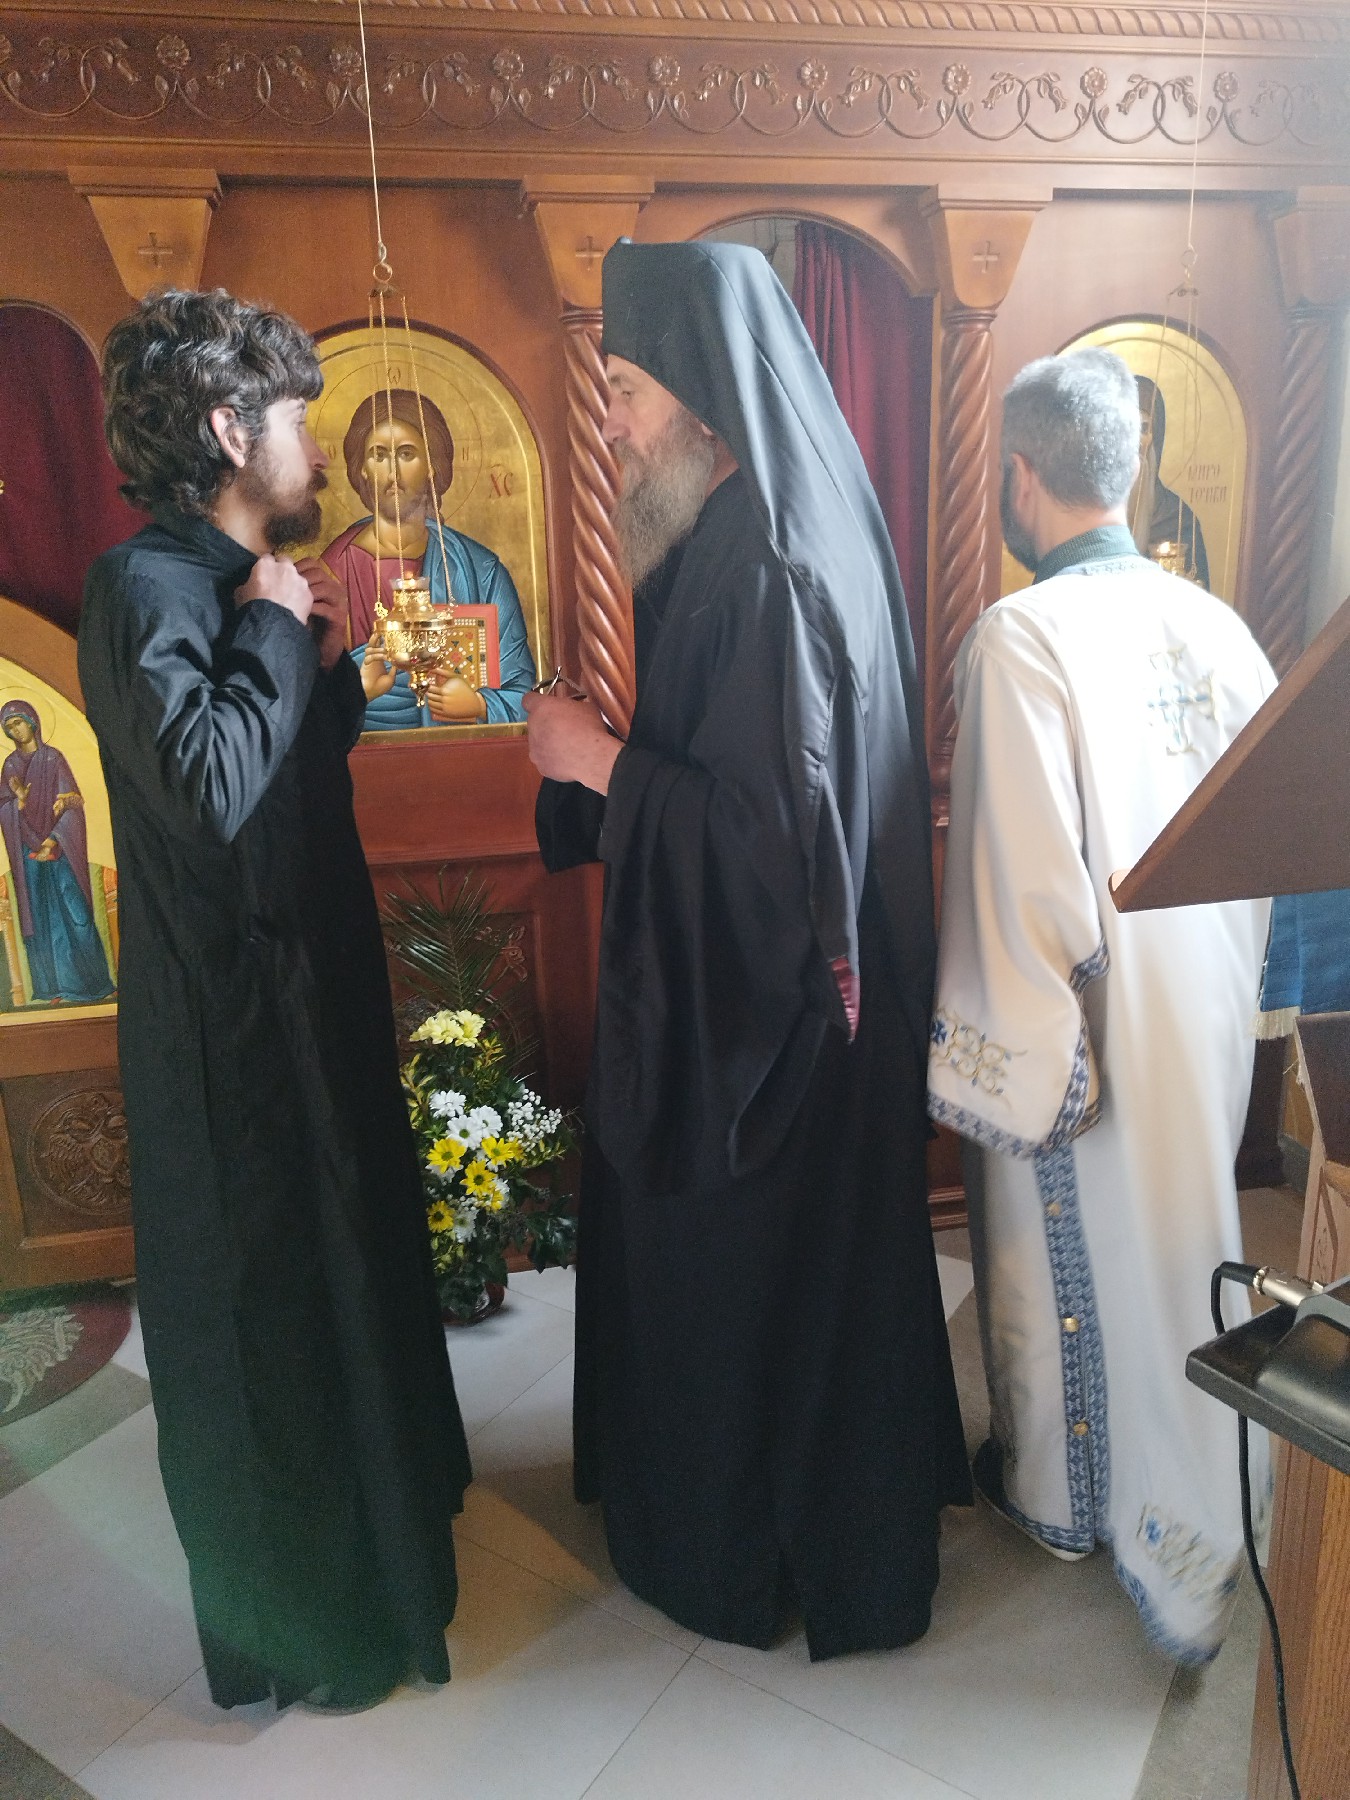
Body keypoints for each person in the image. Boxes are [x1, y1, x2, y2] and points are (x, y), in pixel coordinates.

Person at [526, 239, 970, 1659]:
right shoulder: (764, 522)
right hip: (806, 1019)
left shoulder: (766, 561)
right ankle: (815, 1526)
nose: (609, 426)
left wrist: (597, 766)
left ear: (707, 395)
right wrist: (621, 757)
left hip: (773, 1040)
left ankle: (751, 1545)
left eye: (625, 391)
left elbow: (772, 853)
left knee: (749, 1292)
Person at [77, 289, 471, 1711]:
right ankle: (314, 1628)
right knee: (271, 1327)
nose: (314, 445)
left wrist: (322, 667)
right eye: (298, 417)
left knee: (350, 1283)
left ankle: (392, 1569)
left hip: (315, 1005)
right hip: (230, 1045)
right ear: (230, 429)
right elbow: (202, 790)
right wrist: (270, 636)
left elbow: (279, 779)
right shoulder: (143, 589)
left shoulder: (254, 585)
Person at [928, 347, 1275, 1664]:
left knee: (1074, 1261)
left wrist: (1013, 1051)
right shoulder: (1220, 626)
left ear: (1020, 477)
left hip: (1088, 1025)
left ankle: (1071, 1502)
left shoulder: (1022, 637)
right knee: (1183, 1243)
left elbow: (1020, 872)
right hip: (1203, 1001)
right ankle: (1200, 1490)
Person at [320, 389, 536, 729]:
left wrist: (479, 704)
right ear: (361, 469)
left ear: (432, 466)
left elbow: (524, 697)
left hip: (458, 757)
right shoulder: (329, 576)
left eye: (406, 454)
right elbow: (293, 710)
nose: (392, 472)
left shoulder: (481, 572)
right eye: (378, 455)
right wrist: (355, 694)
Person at [0, 698, 115, 1006]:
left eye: (18, 723)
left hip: (60, 849)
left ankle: (96, 984)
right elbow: (4, 809)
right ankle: (53, 988)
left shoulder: (53, 758)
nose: (15, 730)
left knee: (76, 914)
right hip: (30, 856)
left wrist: (52, 840)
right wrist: (19, 802)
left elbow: (73, 806)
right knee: (41, 917)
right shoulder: (10, 766)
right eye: (9, 727)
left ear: (32, 722)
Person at [1130, 374, 1211, 589]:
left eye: (1143, 429)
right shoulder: (1093, 512)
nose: (1134, 442)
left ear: (1156, 435)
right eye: (1126, 428)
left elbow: (1198, 597)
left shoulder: (1178, 519)